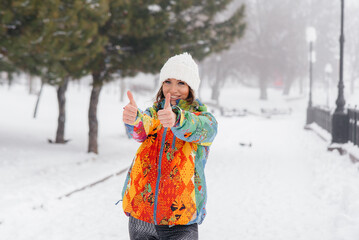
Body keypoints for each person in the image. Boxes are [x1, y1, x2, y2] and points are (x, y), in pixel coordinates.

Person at [121, 52, 218, 240]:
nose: (173, 89)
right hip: (141, 216)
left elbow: (201, 129)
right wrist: (133, 119)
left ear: (191, 87)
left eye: (181, 83)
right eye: (168, 82)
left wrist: (177, 119)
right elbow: (140, 130)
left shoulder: (203, 119)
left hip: (180, 220)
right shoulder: (152, 114)